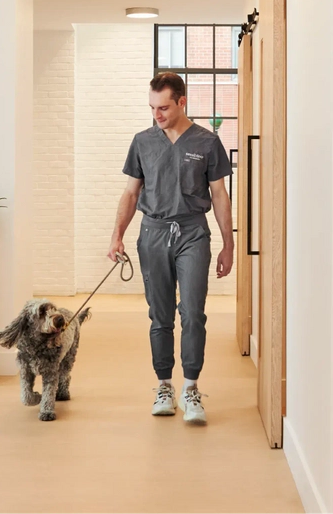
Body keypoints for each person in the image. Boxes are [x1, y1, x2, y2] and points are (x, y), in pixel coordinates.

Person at [108, 72, 234, 423]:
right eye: (151, 108)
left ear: (182, 102)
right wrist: (116, 235)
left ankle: (191, 388)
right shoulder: (143, 141)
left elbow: (219, 195)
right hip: (153, 234)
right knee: (160, 316)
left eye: (163, 107)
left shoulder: (207, 142)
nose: (156, 115)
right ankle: (164, 385)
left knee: (193, 313)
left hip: (193, 233)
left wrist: (229, 245)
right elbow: (131, 192)